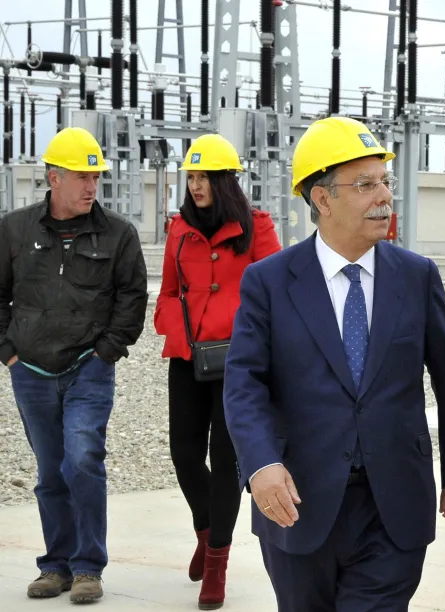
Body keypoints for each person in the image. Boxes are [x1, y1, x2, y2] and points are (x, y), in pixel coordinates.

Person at [222, 116, 445, 611]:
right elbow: (243, 384)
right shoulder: (270, 281)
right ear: (322, 199)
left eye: (384, 181)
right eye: (365, 185)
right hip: (297, 502)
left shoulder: (417, 276)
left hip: (393, 505)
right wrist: (260, 464)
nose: (384, 196)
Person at [0, 127, 148, 603]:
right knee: (50, 470)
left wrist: (106, 352)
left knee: (83, 460)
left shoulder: (118, 234)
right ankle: (56, 566)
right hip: (32, 372)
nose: (91, 186)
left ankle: (88, 568)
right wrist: (8, 353)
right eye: (82, 176)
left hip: (89, 368)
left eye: (96, 177)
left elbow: (132, 299)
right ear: (53, 177)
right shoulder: (15, 229)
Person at [153, 133, 281, 610]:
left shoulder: (258, 229)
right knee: (184, 453)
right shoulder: (178, 230)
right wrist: (177, 328)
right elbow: (167, 293)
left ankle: (217, 563)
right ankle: (206, 532)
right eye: (192, 177)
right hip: (188, 359)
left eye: (204, 177)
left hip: (239, 366)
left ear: (226, 181)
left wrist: (252, 341)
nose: (196, 186)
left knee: (226, 462)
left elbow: (276, 295)